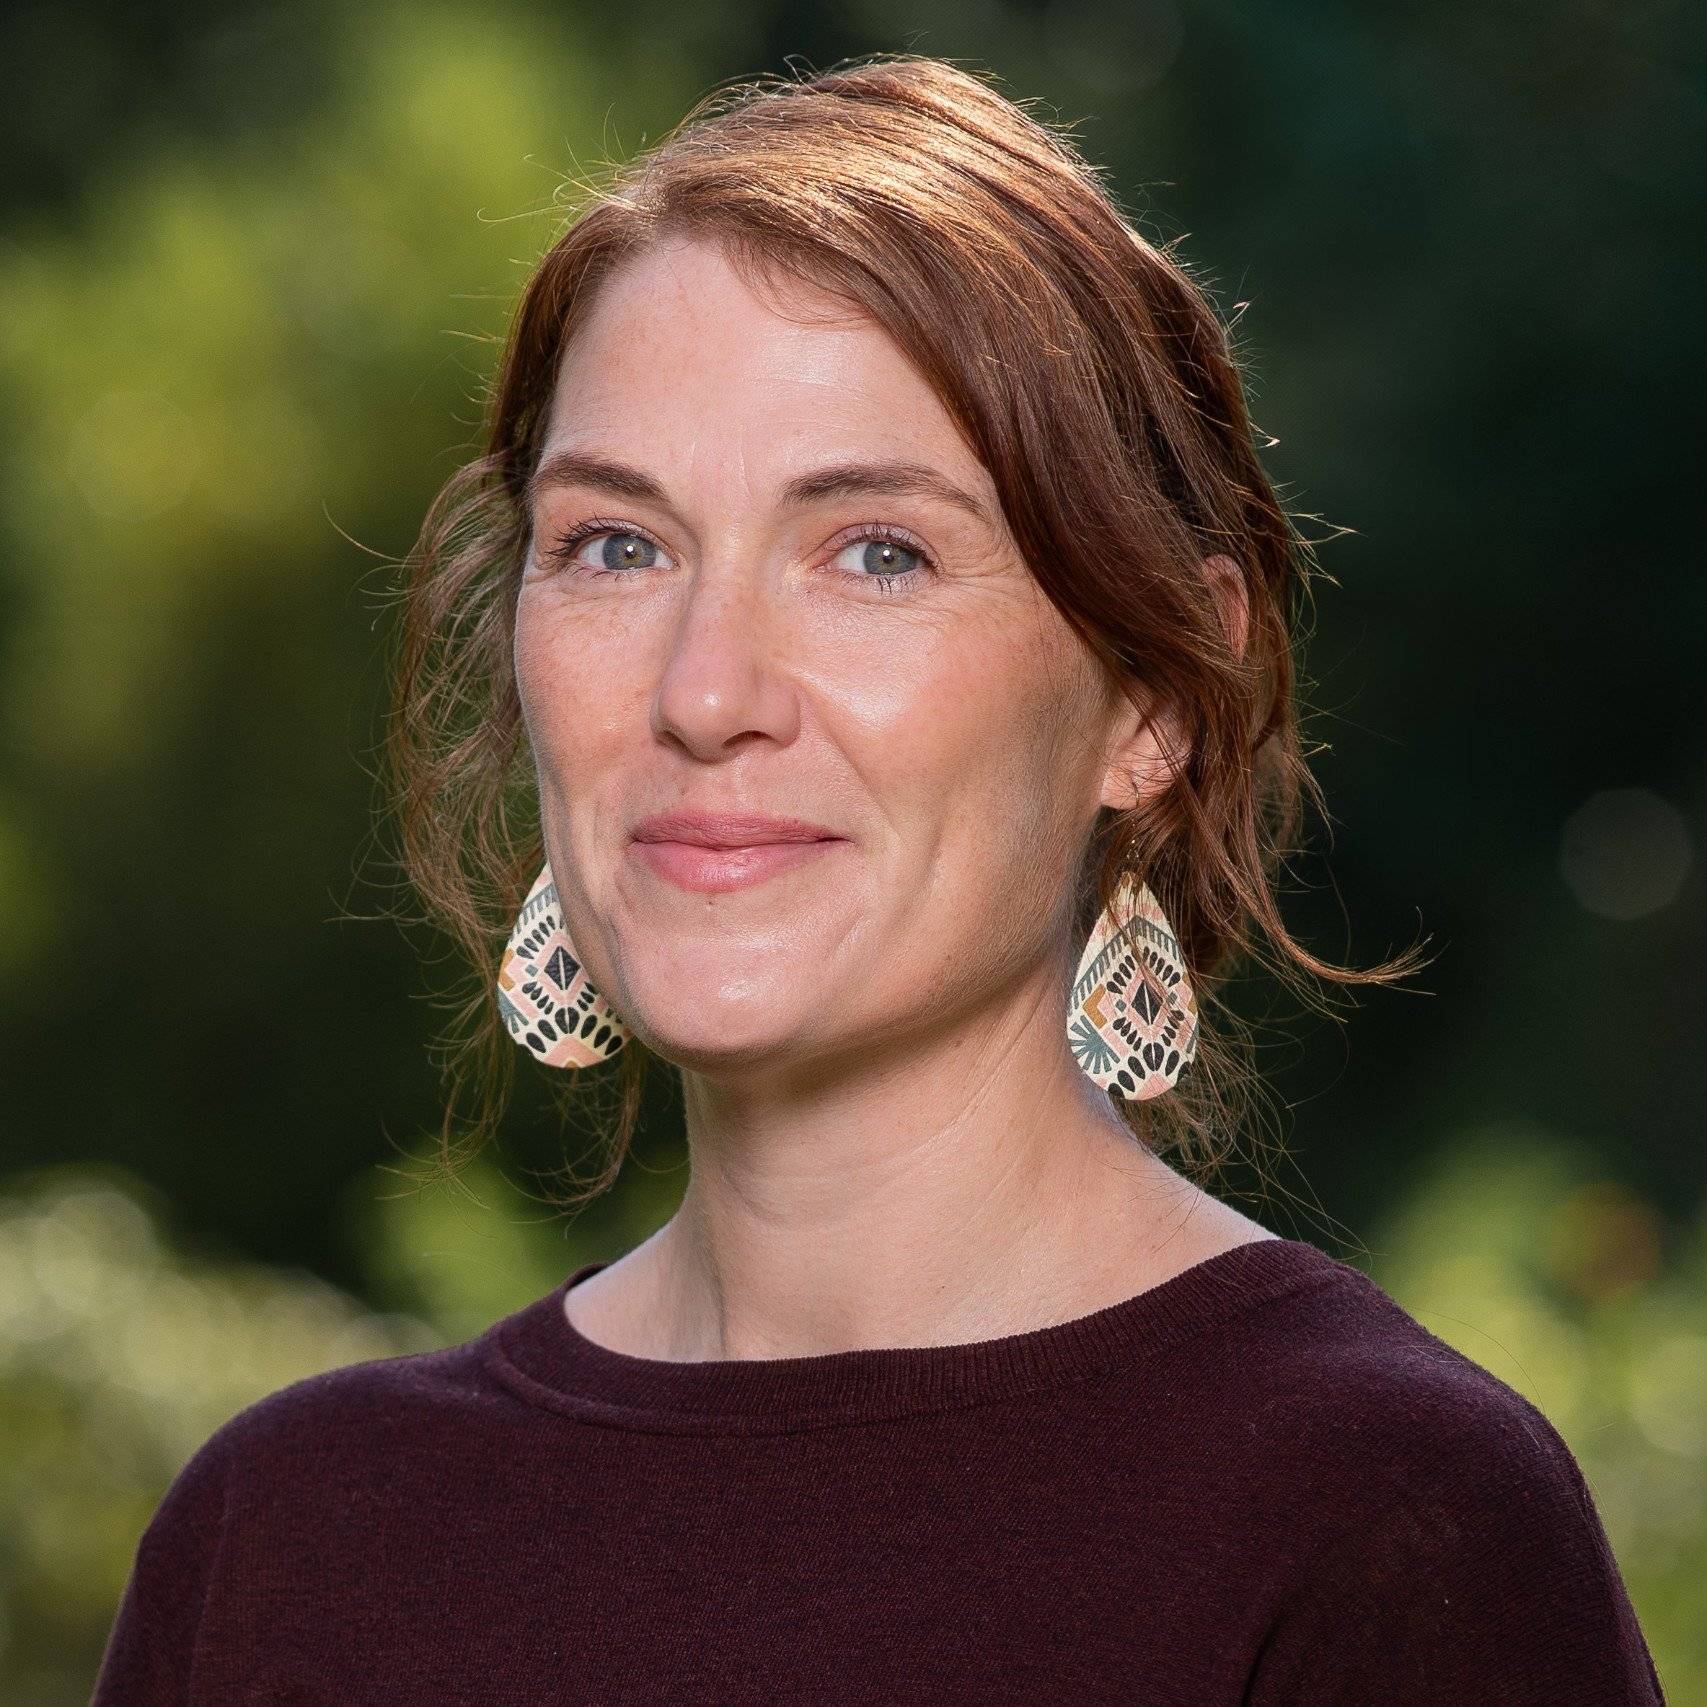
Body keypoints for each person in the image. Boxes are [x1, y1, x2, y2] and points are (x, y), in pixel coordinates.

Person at [94, 53, 1666, 1704]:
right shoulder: (283, 1541)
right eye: (617, 545)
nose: (705, 692)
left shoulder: (1388, 1518)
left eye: (876, 554)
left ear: (1155, 697)